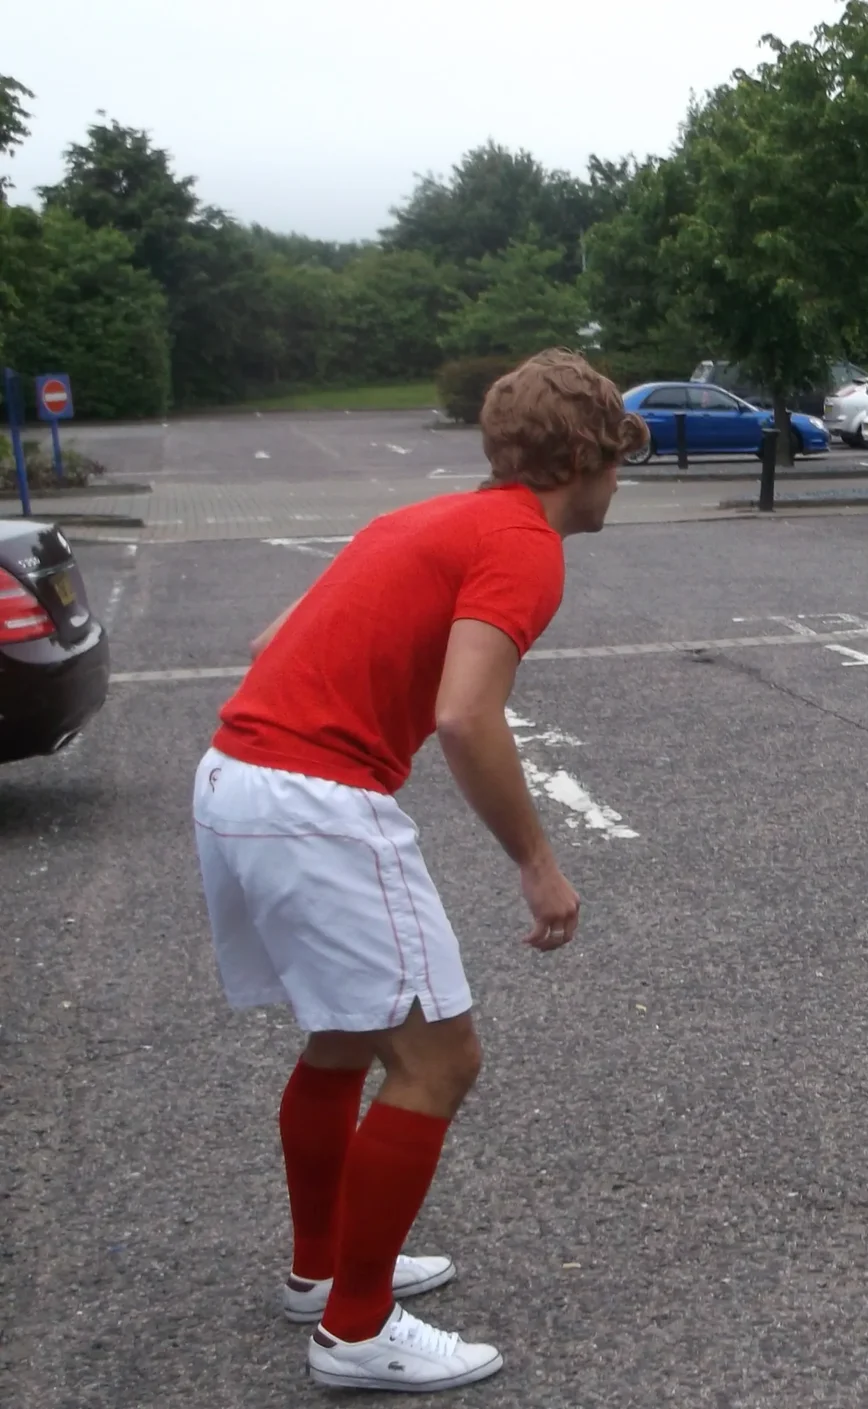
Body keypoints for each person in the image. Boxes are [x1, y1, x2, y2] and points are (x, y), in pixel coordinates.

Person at [192, 350, 642, 1390]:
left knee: (349, 1032)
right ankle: (354, 1329)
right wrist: (539, 863)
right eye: (616, 458)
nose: (621, 479)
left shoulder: (419, 520)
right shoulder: (525, 545)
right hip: (313, 795)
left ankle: (322, 1270)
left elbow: (272, 636)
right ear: (580, 457)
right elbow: (463, 712)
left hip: (234, 775)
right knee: (440, 1060)